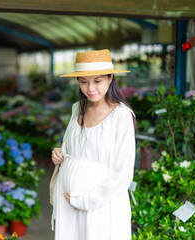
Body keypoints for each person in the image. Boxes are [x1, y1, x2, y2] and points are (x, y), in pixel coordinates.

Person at [51, 49, 136, 240]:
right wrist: (60, 153)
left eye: (97, 81)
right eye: (83, 81)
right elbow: (73, 149)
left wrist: (86, 200)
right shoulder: (77, 109)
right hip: (69, 203)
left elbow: (122, 173)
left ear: (110, 78)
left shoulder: (121, 116)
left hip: (100, 206)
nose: (90, 88)